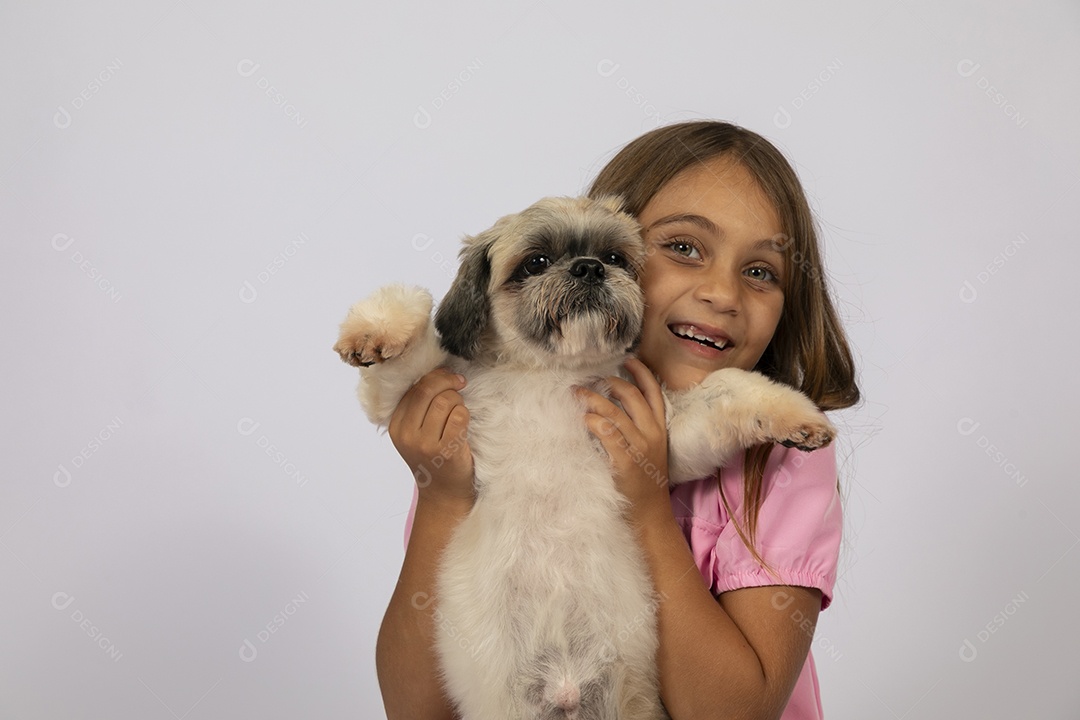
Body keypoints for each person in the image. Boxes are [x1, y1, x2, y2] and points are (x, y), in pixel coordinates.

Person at [374, 121, 860, 719]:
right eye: (683, 247)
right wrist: (444, 500)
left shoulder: (780, 456)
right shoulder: (489, 432)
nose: (722, 293)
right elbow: (416, 711)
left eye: (761, 271)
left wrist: (648, 505)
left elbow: (734, 712)